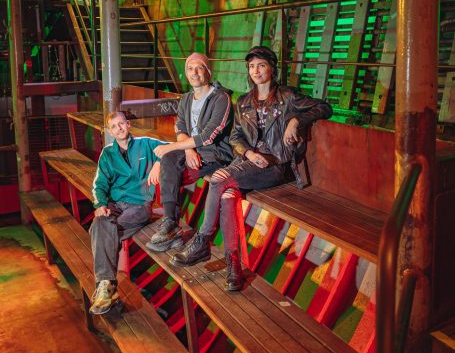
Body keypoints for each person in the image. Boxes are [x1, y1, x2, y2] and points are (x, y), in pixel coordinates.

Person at [170, 45, 333, 292]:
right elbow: (235, 137)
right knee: (227, 195)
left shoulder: (288, 96)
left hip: (274, 164)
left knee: (218, 178)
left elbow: (324, 107)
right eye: (252, 66)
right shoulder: (244, 101)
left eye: (261, 65)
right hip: (248, 162)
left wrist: (296, 120)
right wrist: (249, 153)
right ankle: (233, 268)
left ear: (272, 69)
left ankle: (202, 241)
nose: (256, 71)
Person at [146, 52, 233, 253]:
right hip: (193, 150)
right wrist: (188, 150)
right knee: (168, 160)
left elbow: (209, 136)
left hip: (215, 154)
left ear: (208, 71)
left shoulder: (221, 98)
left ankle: (175, 231)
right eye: (189, 68)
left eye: (199, 67)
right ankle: (171, 222)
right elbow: (181, 127)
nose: (194, 72)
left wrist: (170, 148)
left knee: (168, 162)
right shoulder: (186, 98)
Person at [89, 111, 164, 315]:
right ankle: (107, 285)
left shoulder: (145, 144)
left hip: (139, 205)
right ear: (110, 131)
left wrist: (159, 162)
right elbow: (99, 184)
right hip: (115, 204)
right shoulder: (107, 154)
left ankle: (106, 287)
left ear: (128, 124)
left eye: (121, 124)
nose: (119, 128)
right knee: (99, 223)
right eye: (114, 126)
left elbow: (171, 148)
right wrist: (100, 204)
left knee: (100, 232)